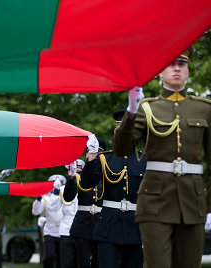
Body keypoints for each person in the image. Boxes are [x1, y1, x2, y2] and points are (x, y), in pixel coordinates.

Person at [114, 51, 211, 267]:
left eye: (181, 65)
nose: (176, 68)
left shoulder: (204, 109)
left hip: (193, 201)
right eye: (170, 64)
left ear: (187, 71)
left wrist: (210, 208)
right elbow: (122, 150)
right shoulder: (146, 108)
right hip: (155, 200)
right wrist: (131, 113)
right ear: (159, 72)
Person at [82, 117, 147, 268]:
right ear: (115, 133)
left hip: (135, 228)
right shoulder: (105, 158)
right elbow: (86, 184)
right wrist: (91, 159)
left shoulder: (144, 160)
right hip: (109, 228)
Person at [63, 155, 103, 268]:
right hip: (83, 223)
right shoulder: (79, 177)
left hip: (100, 223)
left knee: (99, 262)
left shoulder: (106, 177)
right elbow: (68, 197)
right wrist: (71, 179)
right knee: (83, 263)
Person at [32, 176, 62, 268]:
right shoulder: (46, 198)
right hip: (50, 231)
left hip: (63, 231)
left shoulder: (66, 197)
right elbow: (35, 211)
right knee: (50, 256)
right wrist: (38, 198)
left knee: (61, 259)